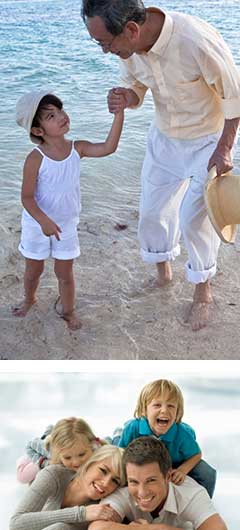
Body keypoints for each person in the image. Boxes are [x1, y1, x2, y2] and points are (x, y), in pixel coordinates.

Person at [81, 0, 240, 331]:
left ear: (131, 29)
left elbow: (234, 96)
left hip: (208, 140)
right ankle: (163, 274)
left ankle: (202, 292)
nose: (104, 51)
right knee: (153, 212)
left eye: (105, 44)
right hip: (164, 138)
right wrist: (128, 98)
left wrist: (225, 148)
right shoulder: (131, 48)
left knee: (194, 219)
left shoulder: (194, 40)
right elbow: (137, 87)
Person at [14, 89, 124, 330]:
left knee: (65, 274)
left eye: (60, 110)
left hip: (66, 225)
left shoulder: (78, 148)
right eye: (51, 116)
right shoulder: (36, 158)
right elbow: (27, 197)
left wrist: (119, 114)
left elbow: (108, 147)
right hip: (37, 224)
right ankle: (29, 299)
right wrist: (43, 220)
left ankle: (68, 311)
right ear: (37, 130)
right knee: (34, 270)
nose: (61, 116)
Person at [93, 437, 227, 530]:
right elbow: (97, 528)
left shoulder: (191, 494)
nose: (142, 492)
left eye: (151, 480)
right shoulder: (122, 491)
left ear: (167, 476)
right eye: (134, 482)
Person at [116, 379, 216, 498]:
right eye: (157, 405)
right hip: (140, 456)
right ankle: (116, 434)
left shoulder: (181, 433)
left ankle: (203, 503)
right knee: (115, 452)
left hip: (174, 461)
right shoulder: (133, 428)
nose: (164, 410)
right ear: (144, 409)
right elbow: (121, 452)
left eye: (171, 406)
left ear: (178, 411)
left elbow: (196, 454)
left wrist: (182, 470)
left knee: (207, 473)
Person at [10, 444, 125, 530]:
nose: (106, 483)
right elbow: (16, 524)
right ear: (90, 463)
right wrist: (81, 514)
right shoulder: (54, 475)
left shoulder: (101, 510)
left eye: (115, 481)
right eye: (103, 471)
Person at [16, 417, 106, 484]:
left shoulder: (97, 449)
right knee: (23, 477)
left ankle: (50, 431)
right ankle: (47, 434)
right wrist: (42, 462)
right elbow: (29, 445)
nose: (76, 462)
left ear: (92, 444)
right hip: (44, 452)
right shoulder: (50, 451)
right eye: (67, 457)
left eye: (81, 454)